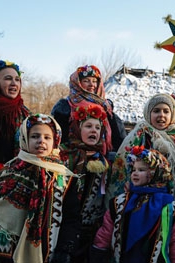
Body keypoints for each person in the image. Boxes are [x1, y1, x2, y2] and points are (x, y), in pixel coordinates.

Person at [0, 113, 80, 263]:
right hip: (6, 251)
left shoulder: (64, 178)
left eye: (47, 137)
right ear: (25, 139)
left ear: (55, 141)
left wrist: (65, 249)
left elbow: (71, 217)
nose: (41, 141)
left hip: (48, 251)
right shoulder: (8, 172)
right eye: (35, 136)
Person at [107, 93, 175, 214]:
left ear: (172, 114)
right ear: (148, 113)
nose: (161, 115)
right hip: (140, 197)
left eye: (166, 111)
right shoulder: (139, 135)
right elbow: (123, 166)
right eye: (156, 111)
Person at [90, 146, 175, 263]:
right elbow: (106, 232)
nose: (135, 173)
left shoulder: (169, 207)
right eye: (133, 169)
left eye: (141, 170)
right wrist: (98, 252)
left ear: (156, 173)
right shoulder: (120, 202)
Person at [59, 104, 111, 263]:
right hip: (63, 224)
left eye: (97, 127)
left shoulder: (102, 161)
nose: (94, 130)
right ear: (77, 129)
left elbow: (103, 193)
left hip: (89, 230)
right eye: (88, 126)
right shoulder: (64, 156)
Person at [51, 64, 126, 156]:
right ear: (77, 83)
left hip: (102, 157)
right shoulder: (65, 107)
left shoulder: (106, 108)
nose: (92, 85)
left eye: (94, 81)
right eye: (86, 81)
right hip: (72, 156)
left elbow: (119, 139)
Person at [0, 60, 30, 173]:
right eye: (8, 78)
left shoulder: (25, 114)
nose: (14, 83)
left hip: (16, 177)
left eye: (17, 79)